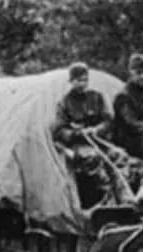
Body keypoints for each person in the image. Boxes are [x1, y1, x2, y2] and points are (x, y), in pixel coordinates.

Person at [51, 62, 114, 208]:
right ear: (71, 81)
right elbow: (59, 130)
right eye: (78, 80)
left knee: (119, 156)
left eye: (85, 80)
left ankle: (124, 195)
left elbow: (108, 121)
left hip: (98, 141)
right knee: (92, 159)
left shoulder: (97, 97)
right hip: (78, 145)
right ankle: (104, 200)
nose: (82, 84)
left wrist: (96, 130)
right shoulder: (65, 103)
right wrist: (77, 133)